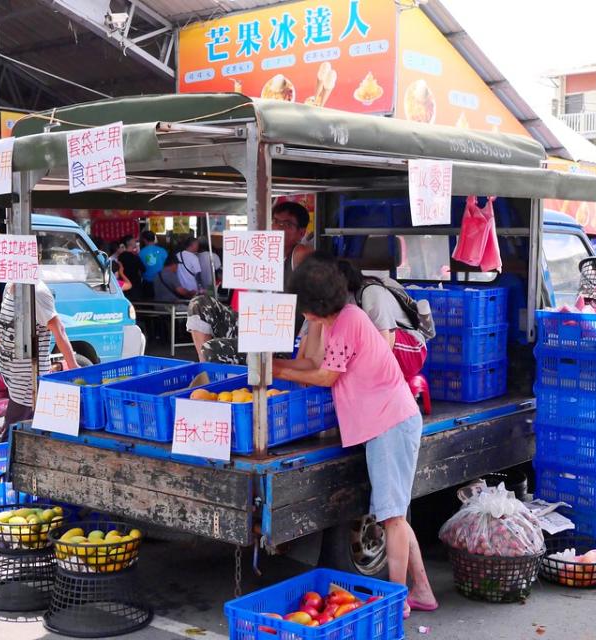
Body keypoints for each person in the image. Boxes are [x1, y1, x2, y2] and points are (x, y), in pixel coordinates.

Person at [272, 256, 438, 618]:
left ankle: (397, 599)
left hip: (389, 423)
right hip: (385, 422)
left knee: (392, 516)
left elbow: (325, 377)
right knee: (395, 513)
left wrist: (275, 367)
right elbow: (313, 365)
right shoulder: (337, 322)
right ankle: (422, 590)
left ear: (314, 305)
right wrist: (272, 365)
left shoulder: (349, 321)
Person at [187, 201, 314, 364]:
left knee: (212, 348)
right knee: (199, 303)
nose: (278, 227)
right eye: (275, 221)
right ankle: (205, 368)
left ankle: (211, 369)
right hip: (252, 326)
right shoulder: (259, 252)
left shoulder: (300, 254)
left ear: (301, 233)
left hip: (278, 340)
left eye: (287, 224)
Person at [0, 281, 79, 426]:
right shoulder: (10, 286)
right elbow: (8, 322)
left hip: (27, 385)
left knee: (15, 438)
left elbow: (59, 330)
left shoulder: (36, 293)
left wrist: (75, 369)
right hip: (12, 377)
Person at [336, 260, 429, 380]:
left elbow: (386, 342)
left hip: (411, 349)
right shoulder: (330, 301)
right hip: (377, 352)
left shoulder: (370, 292)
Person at [139, 230, 167, 299]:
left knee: (148, 304)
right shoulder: (163, 251)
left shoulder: (141, 253)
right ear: (154, 238)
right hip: (162, 281)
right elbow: (167, 266)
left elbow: (139, 269)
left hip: (148, 282)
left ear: (144, 240)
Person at [117, 234, 146, 301]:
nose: (135, 242)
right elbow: (143, 269)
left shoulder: (120, 257)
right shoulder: (135, 257)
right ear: (128, 242)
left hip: (124, 284)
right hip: (135, 285)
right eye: (134, 240)